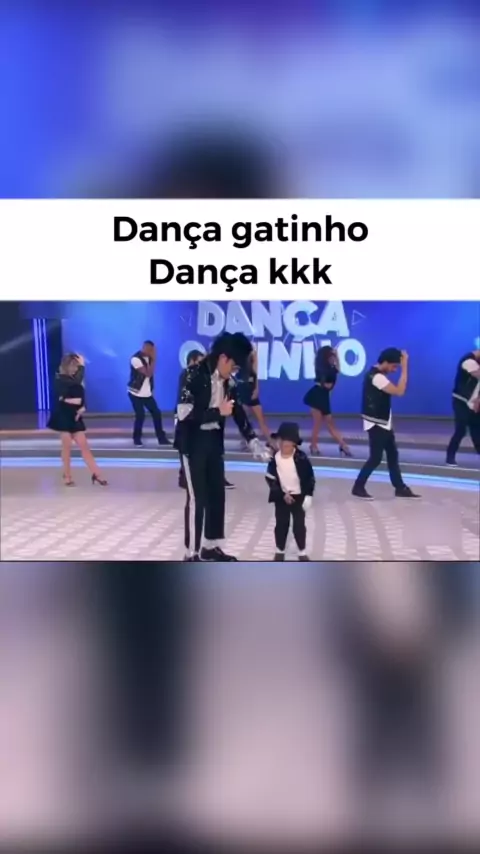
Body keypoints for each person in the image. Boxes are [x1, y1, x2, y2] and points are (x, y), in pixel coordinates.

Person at [175, 332, 270, 562]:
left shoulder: (229, 382)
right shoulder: (192, 375)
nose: (234, 372)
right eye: (234, 367)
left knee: (217, 495)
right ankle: (191, 554)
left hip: (214, 443)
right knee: (198, 498)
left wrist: (253, 441)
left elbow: (237, 412)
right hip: (192, 442)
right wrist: (218, 412)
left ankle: (211, 546)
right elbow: (184, 413)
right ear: (223, 358)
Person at [352, 348, 420, 500]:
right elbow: (399, 391)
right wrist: (405, 367)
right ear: (385, 362)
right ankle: (358, 486)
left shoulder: (376, 374)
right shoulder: (377, 377)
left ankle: (400, 487)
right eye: (394, 366)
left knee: (392, 455)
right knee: (375, 458)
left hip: (383, 422)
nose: (394, 370)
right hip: (376, 423)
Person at [177, 349, 235, 491]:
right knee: (197, 492)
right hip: (193, 432)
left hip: (212, 435)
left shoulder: (222, 381)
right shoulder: (188, 377)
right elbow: (186, 413)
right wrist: (217, 412)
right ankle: (186, 477)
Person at [47, 353, 107, 486]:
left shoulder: (76, 381)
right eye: (73, 366)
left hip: (75, 417)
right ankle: (67, 476)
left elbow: (80, 396)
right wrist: (82, 366)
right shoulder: (60, 379)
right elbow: (67, 394)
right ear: (67, 366)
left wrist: (82, 406)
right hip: (63, 417)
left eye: (76, 366)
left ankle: (97, 474)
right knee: (67, 448)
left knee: (84, 447)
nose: (75, 369)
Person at [266, 423, 315, 562]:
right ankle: (280, 550)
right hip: (281, 496)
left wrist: (308, 495)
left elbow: (309, 478)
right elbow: (270, 478)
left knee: (299, 525)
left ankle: (302, 551)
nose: (284, 446)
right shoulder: (274, 459)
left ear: (294, 444)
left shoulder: (301, 458)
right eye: (281, 442)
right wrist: (282, 494)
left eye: (287, 444)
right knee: (281, 524)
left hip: (299, 496)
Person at [303, 345, 351, 456]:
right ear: (326, 357)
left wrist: (337, 357)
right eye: (332, 356)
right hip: (317, 395)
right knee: (318, 423)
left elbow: (337, 370)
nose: (333, 358)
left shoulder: (332, 368)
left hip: (324, 396)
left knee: (330, 423)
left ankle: (342, 445)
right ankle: (314, 445)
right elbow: (325, 385)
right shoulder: (321, 368)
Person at [128, 340, 170, 447]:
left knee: (156, 413)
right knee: (140, 415)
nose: (151, 352)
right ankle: (137, 439)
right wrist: (154, 359)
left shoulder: (150, 358)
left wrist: (152, 359)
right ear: (144, 347)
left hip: (147, 394)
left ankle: (161, 438)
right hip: (135, 393)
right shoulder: (135, 359)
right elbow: (148, 374)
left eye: (152, 350)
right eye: (149, 349)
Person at [445, 349, 480, 465]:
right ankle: (450, 457)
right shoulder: (468, 361)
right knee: (461, 430)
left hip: (474, 403)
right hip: (461, 402)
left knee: (477, 431)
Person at [236, 348, 275, 450]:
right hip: (242, 391)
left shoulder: (252, 359)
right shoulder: (237, 360)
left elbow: (255, 374)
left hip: (251, 391)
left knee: (261, 419)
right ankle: (245, 441)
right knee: (244, 420)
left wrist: (257, 388)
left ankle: (270, 441)